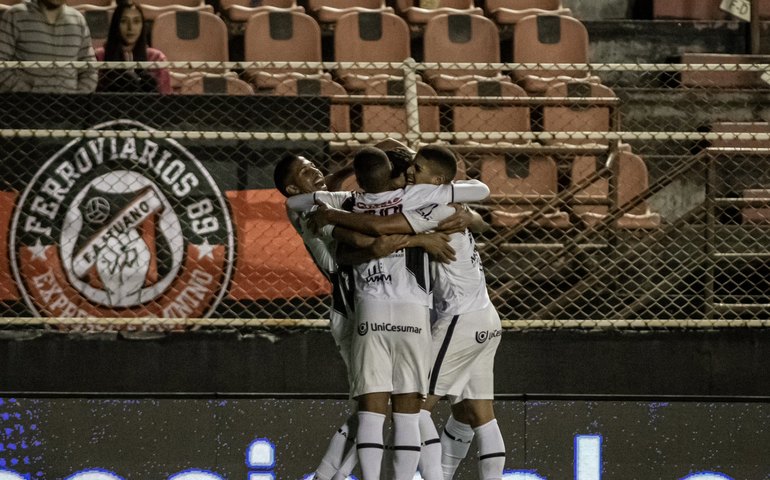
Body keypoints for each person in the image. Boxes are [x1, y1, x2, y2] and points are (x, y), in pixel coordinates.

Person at [287, 146, 490, 480]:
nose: (411, 174)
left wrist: (343, 212)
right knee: (407, 410)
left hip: (367, 313)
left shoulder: (340, 205)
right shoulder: (416, 197)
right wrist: (423, 237)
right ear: (396, 177)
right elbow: (480, 191)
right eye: (306, 173)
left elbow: (345, 241)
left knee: (370, 409)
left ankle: (333, 475)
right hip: (400, 313)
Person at [0, 0, 97, 92]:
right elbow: (1, 64)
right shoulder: (15, 15)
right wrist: (26, 92)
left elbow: (90, 68)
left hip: (68, 105)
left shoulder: (78, 20)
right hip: (25, 104)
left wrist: (78, 98)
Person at [94, 0, 171, 94]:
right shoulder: (99, 56)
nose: (130, 28)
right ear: (115, 24)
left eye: (136, 21)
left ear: (143, 26)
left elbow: (165, 98)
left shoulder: (156, 58)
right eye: (124, 21)